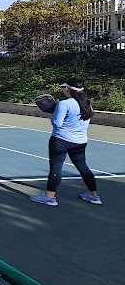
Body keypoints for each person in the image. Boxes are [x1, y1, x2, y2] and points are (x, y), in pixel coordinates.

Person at [30, 78, 101, 207]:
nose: (63, 90)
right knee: (83, 167)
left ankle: (49, 197)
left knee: (56, 167)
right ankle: (93, 196)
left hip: (61, 140)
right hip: (80, 142)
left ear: (68, 89)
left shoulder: (64, 104)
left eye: (63, 88)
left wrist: (52, 113)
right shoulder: (88, 104)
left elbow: (57, 123)